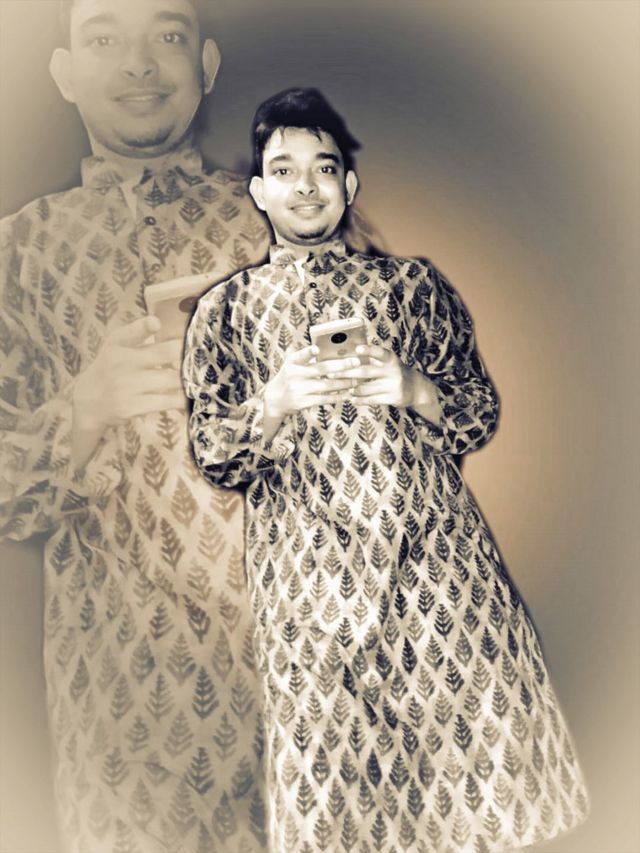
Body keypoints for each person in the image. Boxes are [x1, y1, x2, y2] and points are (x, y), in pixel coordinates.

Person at [1, 3, 379, 850]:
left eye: (166, 36)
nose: (139, 62)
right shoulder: (17, 255)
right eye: (104, 38)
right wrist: (85, 408)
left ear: (205, 65)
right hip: (121, 718)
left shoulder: (289, 219)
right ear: (65, 73)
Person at [183, 87, 590, 852]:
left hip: (439, 576)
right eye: (284, 169)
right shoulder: (224, 312)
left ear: (349, 185)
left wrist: (413, 388)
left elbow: (479, 409)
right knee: (335, 798)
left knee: (471, 788)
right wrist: (272, 403)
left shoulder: (414, 287)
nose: (307, 185)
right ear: (260, 192)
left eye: (324, 167)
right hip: (306, 593)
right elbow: (214, 451)